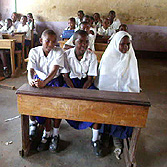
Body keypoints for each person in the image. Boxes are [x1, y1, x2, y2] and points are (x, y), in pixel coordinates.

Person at [95, 31, 140, 159]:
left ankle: (117, 136)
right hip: (108, 94)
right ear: (116, 44)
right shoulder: (108, 57)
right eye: (122, 44)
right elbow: (103, 81)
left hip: (125, 94)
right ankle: (105, 135)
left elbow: (133, 79)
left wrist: (126, 92)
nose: (125, 47)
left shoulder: (131, 57)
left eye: (127, 44)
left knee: (124, 108)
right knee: (107, 107)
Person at [61, 30, 102, 156]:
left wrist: (82, 92)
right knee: (59, 99)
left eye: (86, 42)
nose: (84, 44)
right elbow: (65, 76)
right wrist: (74, 91)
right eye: (81, 42)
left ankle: (95, 139)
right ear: (74, 42)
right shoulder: (66, 55)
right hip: (70, 83)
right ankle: (54, 135)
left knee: (96, 102)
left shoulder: (92, 56)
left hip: (85, 84)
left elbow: (90, 79)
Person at [27, 29, 65, 153]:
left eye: (53, 42)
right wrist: (30, 80)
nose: (50, 44)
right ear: (41, 40)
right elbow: (31, 69)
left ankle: (53, 134)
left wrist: (44, 83)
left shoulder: (59, 51)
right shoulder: (34, 51)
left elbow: (54, 70)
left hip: (54, 81)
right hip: (39, 80)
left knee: (54, 107)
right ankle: (39, 127)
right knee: (33, 102)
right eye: (47, 41)